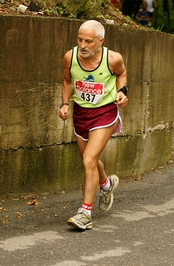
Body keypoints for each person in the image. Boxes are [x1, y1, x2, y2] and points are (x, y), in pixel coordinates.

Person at [59, 20, 128, 230]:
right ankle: (106, 184)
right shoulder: (70, 57)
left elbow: (122, 75)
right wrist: (64, 103)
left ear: (101, 41)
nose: (83, 45)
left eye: (88, 41)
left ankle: (85, 213)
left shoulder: (113, 59)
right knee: (89, 159)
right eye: (80, 40)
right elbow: (67, 81)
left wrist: (122, 92)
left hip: (104, 112)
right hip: (81, 113)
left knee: (89, 159)